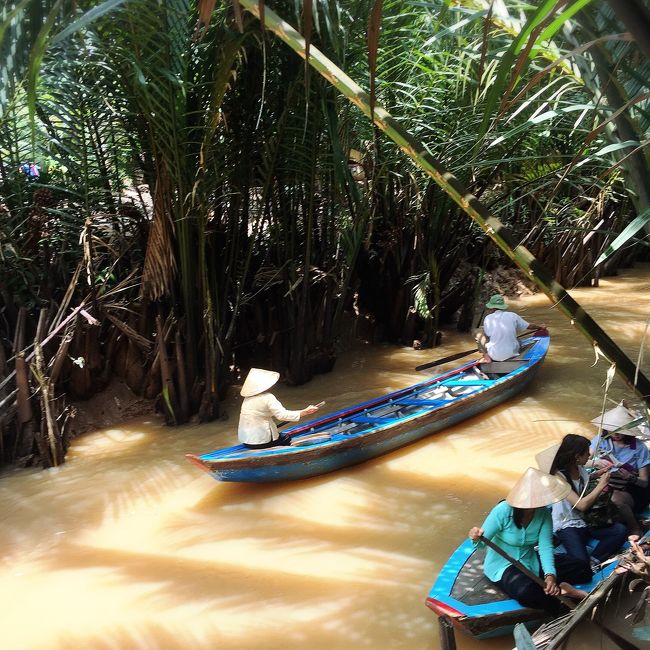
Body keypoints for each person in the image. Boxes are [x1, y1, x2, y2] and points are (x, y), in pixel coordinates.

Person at [468, 467, 588, 614]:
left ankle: (560, 586)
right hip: (504, 565)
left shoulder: (543, 513)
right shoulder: (503, 511)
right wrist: (474, 536)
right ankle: (565, 594)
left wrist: (550, 576)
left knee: (582, 567)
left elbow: (545, 546)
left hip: (531, 561)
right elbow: (480, 543)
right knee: (526, 593)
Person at [547, 435, 628, 574]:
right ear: (577, 456)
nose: (590, 455)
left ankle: (594, 560)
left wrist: (597, 474)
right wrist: (602, 484)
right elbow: (581, 505)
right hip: (567, 524)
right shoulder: (558, 477)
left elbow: (583, 480)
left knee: (620, 530)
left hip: (585, 519)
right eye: (586, 452)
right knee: (580, 563)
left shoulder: (578, 467)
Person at [588, 403, 650, 538]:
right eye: (612, 430)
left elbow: (644, 482)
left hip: (630, 489)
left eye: (620, 431)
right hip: (605, 482)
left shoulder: (639, 448)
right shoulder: (601, 440)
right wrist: (596, 462)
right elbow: (584, 461)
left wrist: (630, 477)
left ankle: (635, 528)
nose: (616, 434)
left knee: (615, 498)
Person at [237, 368, 321, 449]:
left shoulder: (246, 398)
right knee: (286, 437)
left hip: (246, 440)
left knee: (280, 435)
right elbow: (282, 415)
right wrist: (305, 412)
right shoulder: (268, 397)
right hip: (262, 442)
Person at [475, 294, 545, 362]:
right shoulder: (513, 315)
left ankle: (486, 356)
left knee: (478, 332)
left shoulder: (488, 318)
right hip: (512, 354)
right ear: (502, 306)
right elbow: (529, 326)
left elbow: (488, 335)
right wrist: (540, 327)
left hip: (494, 355)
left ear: (492, 308)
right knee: (517, 339)